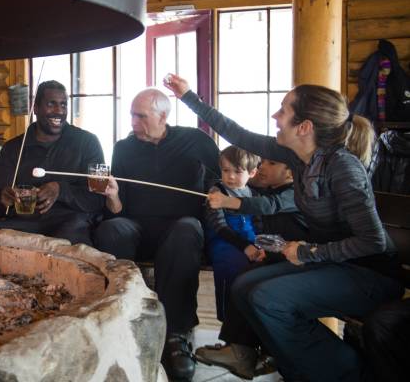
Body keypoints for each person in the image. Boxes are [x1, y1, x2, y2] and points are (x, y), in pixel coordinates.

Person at [165, 74, 404, 381]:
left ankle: (349, 372)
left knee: (268, 299)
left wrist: (308, 251)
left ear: (304, 127)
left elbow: (372, 242)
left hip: (369, 273)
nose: (275, 116)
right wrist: (189, 97)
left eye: (283, 111)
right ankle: (303, 367)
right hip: (335, 264)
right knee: (244, 286)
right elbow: (237, 134)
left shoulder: (343, 167)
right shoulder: (297, 155)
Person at [93, 88, 220, 382]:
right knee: (111, 229)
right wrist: (112, 196)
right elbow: (117, 208)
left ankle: (177, 333)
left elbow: (220, 182)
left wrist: (217, 193)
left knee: (187, 229)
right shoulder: (123, 148)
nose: (133, 122)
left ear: (163, 116)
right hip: (136, 226)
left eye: (141, 116)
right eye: (132, 115)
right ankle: (121, 321)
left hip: (179, 227)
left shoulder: (196, 141)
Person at [196, 158, 308, 380]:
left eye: (272, 163)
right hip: (281, 255)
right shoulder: (266, 189)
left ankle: (262, 351)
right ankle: (243, 351)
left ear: (291, 173)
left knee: (251, 281)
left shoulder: (295, 194)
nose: (263, 167)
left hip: (304, 260)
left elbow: (267, 207)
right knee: (245, 278)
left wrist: (229, 202)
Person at [0, 80, 105, 245]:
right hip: (24, 223)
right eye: (51, 104)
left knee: (69, 240)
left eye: (63, 105)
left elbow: (99, 198)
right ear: (35, 108)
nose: (59, 111)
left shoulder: (90, 142)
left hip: (71, 223)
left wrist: (60, 189)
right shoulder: (12, 148)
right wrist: (3, 199)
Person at [204, 146, 261, 323]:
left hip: (251, 241)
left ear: (252, 173)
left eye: (237, 171)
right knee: (231, 264)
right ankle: (228, 320)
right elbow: (219, 226)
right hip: (223, 241)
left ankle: (253, 322)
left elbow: (259, 224)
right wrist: (245, 247)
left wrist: (258, 245)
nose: (230, 176)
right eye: (226, 170)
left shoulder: (254, 194)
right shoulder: (216, 192)